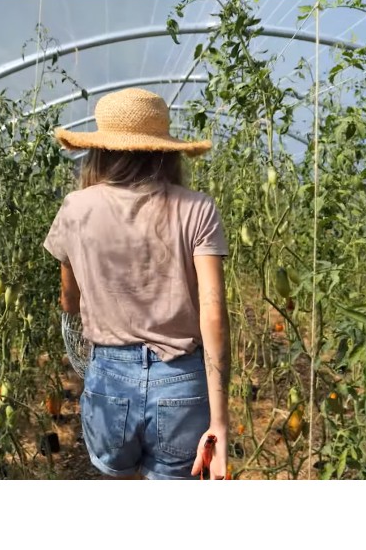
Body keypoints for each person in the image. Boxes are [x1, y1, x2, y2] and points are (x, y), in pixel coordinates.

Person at [43, 87, 231, 480]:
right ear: (165, 151)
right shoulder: (197, 208)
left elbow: (69, 300)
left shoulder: (76, 208)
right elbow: (213, 315)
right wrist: (221, 423)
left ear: (100, 149)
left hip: (110, 378)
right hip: (182, 380)